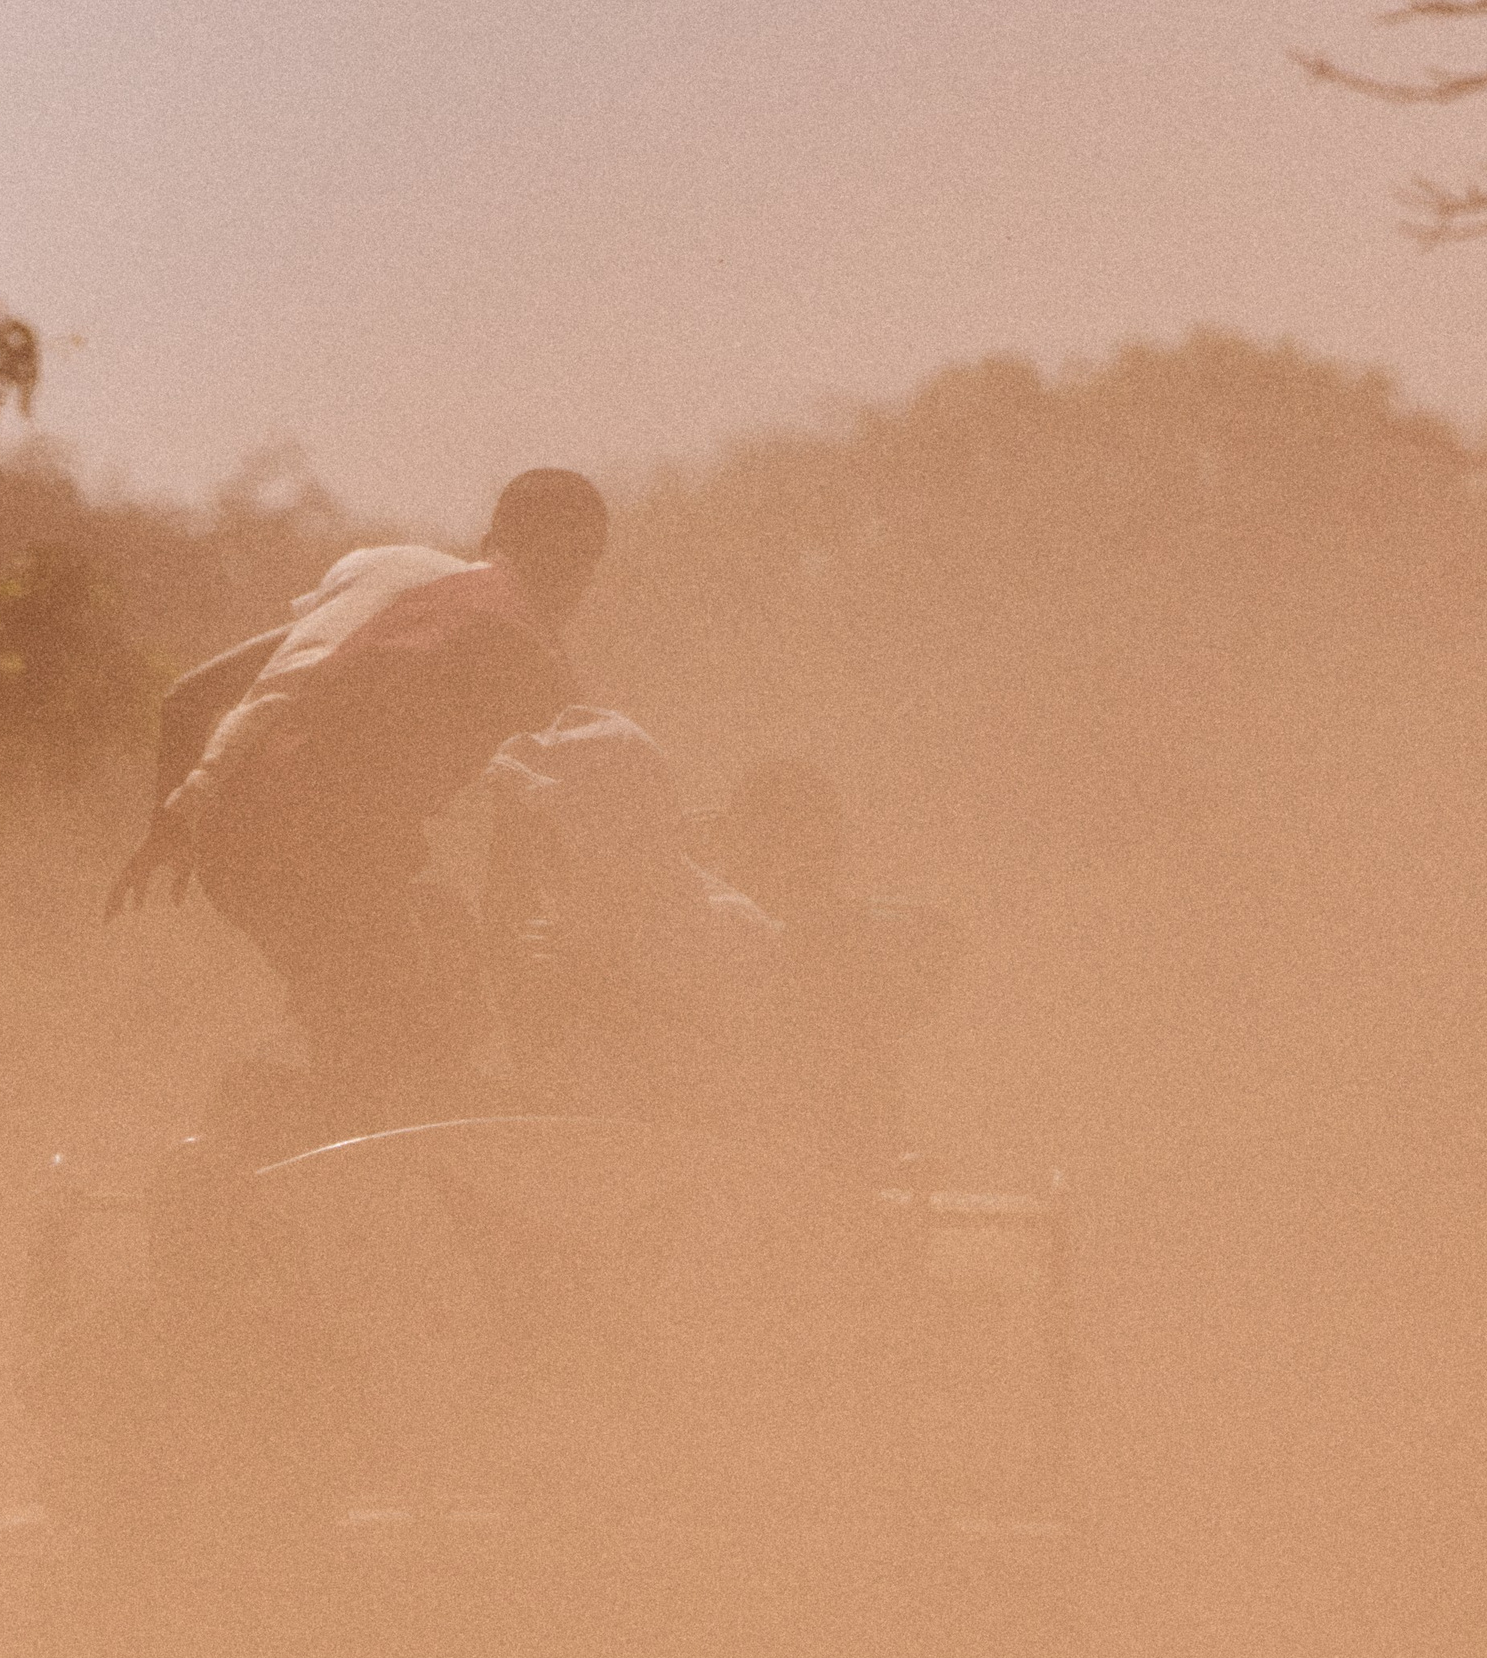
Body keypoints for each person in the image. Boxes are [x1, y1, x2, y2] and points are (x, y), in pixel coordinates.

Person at [111, 469, 610, 1131]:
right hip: (330, 855)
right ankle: (268, 1163)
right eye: (575, 566)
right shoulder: (541, 671)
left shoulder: (392, 576)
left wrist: (171, 827)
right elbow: (514, 888)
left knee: (393, 988)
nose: (572, 588)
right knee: (406, 1031)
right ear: (582, 569)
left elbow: (188, 696)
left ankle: (261, 1138)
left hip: (227, 840)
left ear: (491, 539)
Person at [483, 707, 777, 1122]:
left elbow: (722, 1105)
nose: (540, 852)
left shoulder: (724, 928)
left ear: (622, 823)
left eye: (557, 827)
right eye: (533, 831)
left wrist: (597, 983)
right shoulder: (572, 929)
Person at [695, 756, 955, 1175]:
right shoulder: (863, 939)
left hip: (812, 1170)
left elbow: (934, 937)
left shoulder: (845, 941)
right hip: (805, 1166)